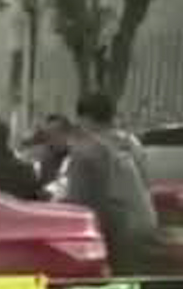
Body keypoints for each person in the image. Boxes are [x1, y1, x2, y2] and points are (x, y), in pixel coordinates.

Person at [61, 93, 161, 277]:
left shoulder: (86, 151)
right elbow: (146, 181)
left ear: (85, 118)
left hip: (117, 232)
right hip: (145, 224)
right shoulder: (132, 143)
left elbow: (77, 204)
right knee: (135, 287)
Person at [35, 113, 75, 195]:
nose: (50, 140)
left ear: (67, 134)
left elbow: (65, 186)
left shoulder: (76, 158)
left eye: (54, 134)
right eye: (47, 135)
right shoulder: (45, 157)